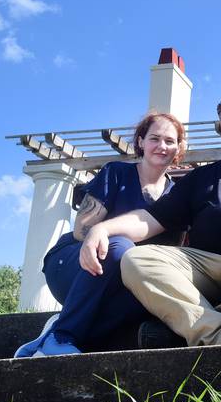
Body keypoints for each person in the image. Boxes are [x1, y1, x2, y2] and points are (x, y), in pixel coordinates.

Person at [79, 90, 221, 346]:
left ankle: (194, 327)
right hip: (203, 271)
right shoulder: (199, 178)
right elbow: (149, 219)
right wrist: (102, 229)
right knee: (135, 259)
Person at [15, 112, 187, 357]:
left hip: (124, 283)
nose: (162, 146)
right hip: (76, 266)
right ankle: (63, 335)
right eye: (154, 138)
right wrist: (105, 233)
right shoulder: (116, 173)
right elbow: (81, 229)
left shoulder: (177, 196)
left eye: (169, 141)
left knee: (151, 290)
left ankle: (57, 335)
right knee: (121, 247)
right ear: (140, 141)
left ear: (178, 147)